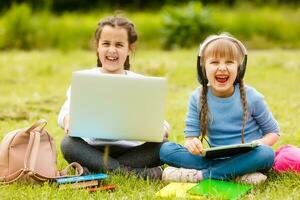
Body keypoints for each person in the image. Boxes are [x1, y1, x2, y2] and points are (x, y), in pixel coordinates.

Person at [58, 16, 169, 180]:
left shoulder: (139, 82)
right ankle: (134, 174)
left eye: (119, 45)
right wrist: (68, 119)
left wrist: (163, 128)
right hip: (93, 149)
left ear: (129, 48)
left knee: (165, 147)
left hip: (130, 151)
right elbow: (64, 114)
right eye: (106, 44)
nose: (112, 50)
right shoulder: (85, 79)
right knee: (68, 144)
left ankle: (96, 172)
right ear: (97, 47)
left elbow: (160, 121)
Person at [159, 33, 280, 184]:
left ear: (239, 68)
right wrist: (192, 142)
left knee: (266, 154)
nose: (222, 68)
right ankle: (236, 174)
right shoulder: (197, 97)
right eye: (215, 62)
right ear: (203, 68)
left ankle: (201, 176)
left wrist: (259, 143)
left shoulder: (253, 97)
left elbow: (273, 132)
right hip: (216, 157)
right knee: (166, 149)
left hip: (248, 156)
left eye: (229, 62)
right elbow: (191, 136)